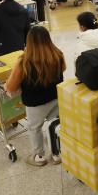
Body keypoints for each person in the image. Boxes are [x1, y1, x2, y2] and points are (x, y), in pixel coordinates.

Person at [5, 26, 65, 167]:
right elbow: (62, 70)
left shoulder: (24, 61)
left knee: (35, 128)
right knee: (54, 126)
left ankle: (39, 156)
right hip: (55, 98)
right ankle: (57, 154)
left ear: (29, 42)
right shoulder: (57, 54)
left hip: (35, 103)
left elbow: (12, 87)